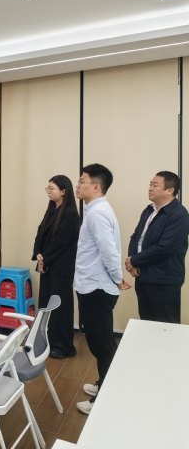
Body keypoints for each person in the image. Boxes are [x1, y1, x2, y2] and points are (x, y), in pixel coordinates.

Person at [74, 164, 130, 415]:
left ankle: (105, 398)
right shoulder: (96, 210)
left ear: (96, 186)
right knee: (99, 342)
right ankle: (103, 384)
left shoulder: (97, 213)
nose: (77, 185)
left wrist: (118, 278)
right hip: (93, 285)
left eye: (82, 181)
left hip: (97, 288)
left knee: (102, 344)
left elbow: (109, 252)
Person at [125, 171, 189, 324]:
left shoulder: (179, 214)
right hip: (143, 276)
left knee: (165, 326)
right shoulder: (149, 210)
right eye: (150, 184)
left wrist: (134, 260)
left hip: (163, 281)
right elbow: (136, 237)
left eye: (155, 185)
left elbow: (164, 248)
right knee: (147, 323)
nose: (150, 188)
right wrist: (132, 261)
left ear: (170, 190)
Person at [31, 175, 79, 359]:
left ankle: (64, 345)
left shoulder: (71, 214)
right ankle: (48, 341)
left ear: (63, 191)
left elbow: (61, 243)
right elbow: (40, 235)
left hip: (61, 268)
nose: (49, 191)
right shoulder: (51, 210)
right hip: (47, 266)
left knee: (60, 308)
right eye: (48, 188)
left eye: (52, 188)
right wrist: (38, 254)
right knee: (46, 305)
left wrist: (44, 259)